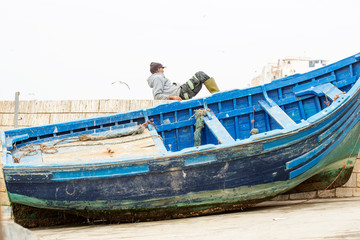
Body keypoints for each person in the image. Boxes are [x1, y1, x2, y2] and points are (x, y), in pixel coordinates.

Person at [147, 62, 220, 100]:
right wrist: (173, 97)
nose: (163, 70)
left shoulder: (158, 78)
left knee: (200, 81)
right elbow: (157, 96)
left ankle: (217, 95)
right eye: (162, 68)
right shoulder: (157, 78)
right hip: (182, 92)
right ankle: (218, 96)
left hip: (182, 92)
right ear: (158, 69)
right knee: (200, 75)